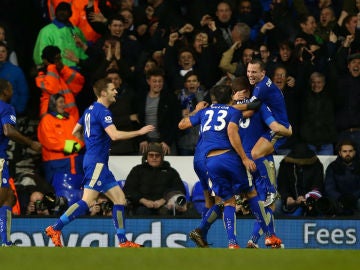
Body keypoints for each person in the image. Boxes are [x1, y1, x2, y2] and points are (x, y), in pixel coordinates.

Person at [45, 78, 154, 248]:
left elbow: (75, 131)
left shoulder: (89, 109)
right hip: (97, 163)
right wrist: (139, 131)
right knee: (88, 201)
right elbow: (115, 135)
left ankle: (123, 241)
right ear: (103, 93)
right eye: (112, 89)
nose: (116, 92)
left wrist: (91, 145)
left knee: (120, 199)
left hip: (97, 161)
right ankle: (55, 228)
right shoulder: (103, 111)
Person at [179, 84, 282, 249]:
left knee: (227, 201)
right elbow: (232, 131)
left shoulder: (205, 112)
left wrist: (196, 111)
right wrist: (243, 158)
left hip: (208, 161)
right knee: (251, 193)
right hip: (228, 157)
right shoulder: (233, 111)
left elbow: (182, 125)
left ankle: (231, 242)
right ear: (231, 97)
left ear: (213, 98)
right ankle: (269, 236)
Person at [0, 79, 42, 246]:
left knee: (9, 197)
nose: (13, 91)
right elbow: (8, 130)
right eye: (11, 87)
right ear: (4, 91)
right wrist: (31, 143)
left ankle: (5, 241)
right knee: (3, 199)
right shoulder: (6, 108)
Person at [246, 59, 292, 204]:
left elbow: (249, 108)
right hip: (274, 126)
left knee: (255, 153)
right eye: (248, 71)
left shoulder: (261, 88)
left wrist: (230, 108)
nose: (250, 75)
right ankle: (268, 190)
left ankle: (271, 191)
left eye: (254, 72)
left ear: (262, 73)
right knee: (263, 157)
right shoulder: (264, 83)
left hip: (278, 128)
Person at [123, 142, 188, 216]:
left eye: (157, 155)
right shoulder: (137, 170)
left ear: (162, 157)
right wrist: (143, 201)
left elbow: (180, 189)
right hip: (141, 206)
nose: (154, 157)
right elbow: (128, 189)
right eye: (151, 155)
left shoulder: (171, 172)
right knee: (141, 212)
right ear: (146, 157)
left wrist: (163, 200)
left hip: (165, 206)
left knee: (167, 212)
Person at [37, 94, 84, 185]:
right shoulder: (47, 120)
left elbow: (80, 135)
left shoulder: (70, 118)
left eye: (64, 102)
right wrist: (68, 146)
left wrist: (79, 145)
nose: (63, 104)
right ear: (53, 104)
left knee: (75, 190)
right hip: (56, 164)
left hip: (74, 162)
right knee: (58, 192)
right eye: (60, 102)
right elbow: (48, 141)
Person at [33, 1, 88, 69]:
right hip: (59, 72)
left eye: (65, 10)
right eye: (60, 10)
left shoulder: (75, 31)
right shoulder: (46, 31)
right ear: (56, 13)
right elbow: (40, 56)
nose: (62, 13)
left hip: (79, 70)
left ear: (70, 13)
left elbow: (83, 50)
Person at [35, 45, 85, 120]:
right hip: (54, 120)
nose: (58, 61)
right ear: (46, 61)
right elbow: (53, 89)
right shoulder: (41, 76)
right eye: (55, 59)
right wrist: (52, 67)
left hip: (71, 119)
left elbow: (79, 83)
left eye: (59, 58)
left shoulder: (62, 72)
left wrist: (63, 69)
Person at [276, 143, 325, 217]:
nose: (300, 162)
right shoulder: (285, 164)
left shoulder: (316, 164)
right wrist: (287, 197)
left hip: (310, 198)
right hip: (290, 198)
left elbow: (317, 185)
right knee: (276, 204)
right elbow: (282, 184)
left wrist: (306, 197)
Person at [324, 139, 360, 216]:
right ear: (340, 153)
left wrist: (353, 197)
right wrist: (340, 197)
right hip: (338, 199)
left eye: (350, 151)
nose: (348, 153)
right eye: (345, 151)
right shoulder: (332, 167)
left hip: (357, 199)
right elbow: (329, 187)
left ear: (355, 152)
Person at [0, 41, 29, 116]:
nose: (1, 54)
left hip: (10, 113)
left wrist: (18, 110)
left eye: (3, 51)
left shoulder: (16, 71)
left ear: (7, 53)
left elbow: (23, 92)